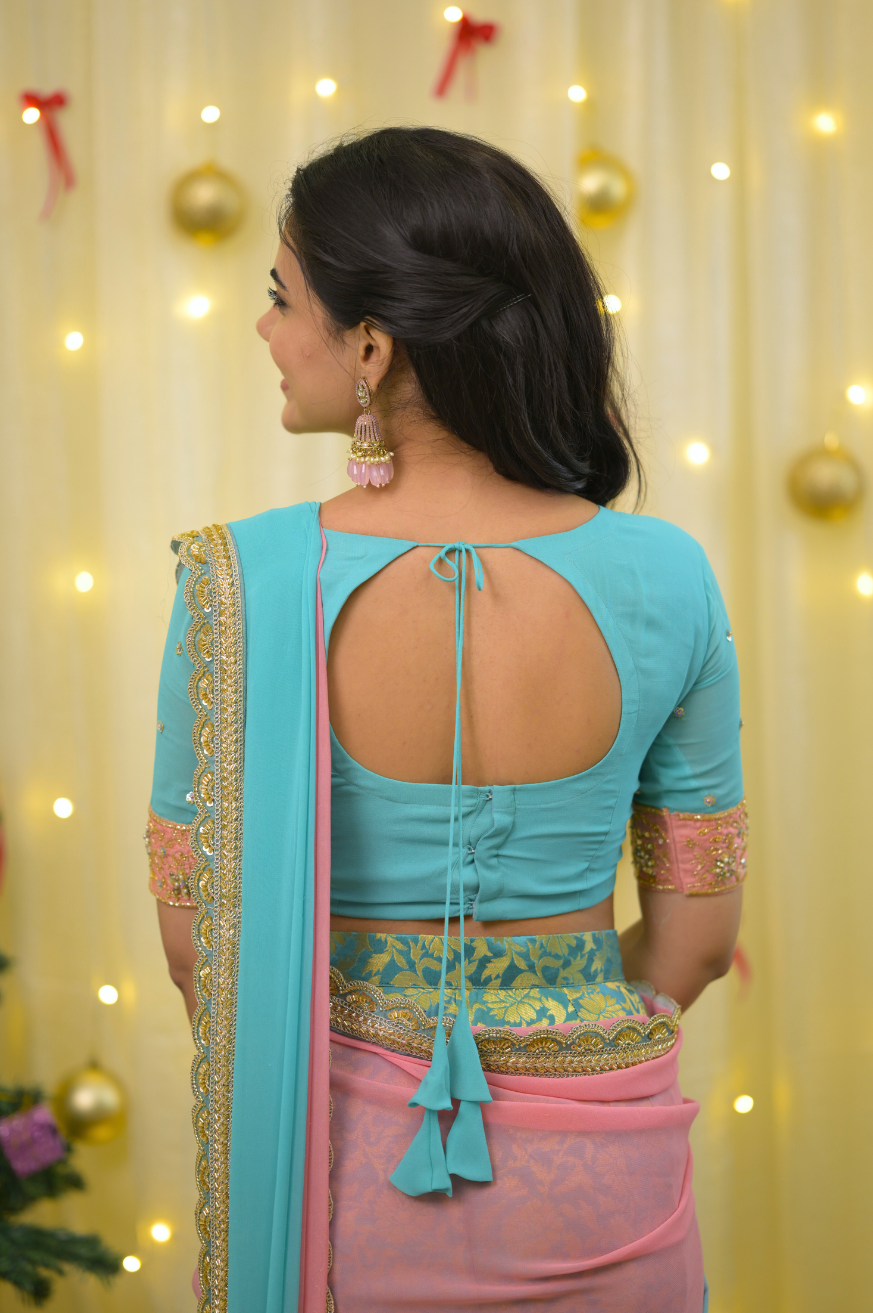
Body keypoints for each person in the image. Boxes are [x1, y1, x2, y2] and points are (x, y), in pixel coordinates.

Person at [147, 127, 746, 1313]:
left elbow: (197, 944)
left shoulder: (239, 583)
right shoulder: (668, 572)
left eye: (283, 296)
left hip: (340, 1168)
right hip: (605, 1174)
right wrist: (559, 1021)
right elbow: (698, 941)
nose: (265, 328)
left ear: (372, 346)